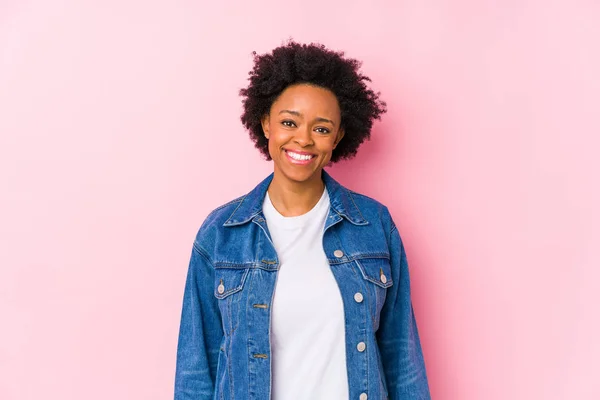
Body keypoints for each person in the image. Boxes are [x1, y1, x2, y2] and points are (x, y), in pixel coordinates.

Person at [174, 40, 431, 400]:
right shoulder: (221, 234)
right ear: (266, 124)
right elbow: (196, 370)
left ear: (338, 136)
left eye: (322, 129)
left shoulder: (373, 226)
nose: (304, 139)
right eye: (289, 122)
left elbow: (401, 356)